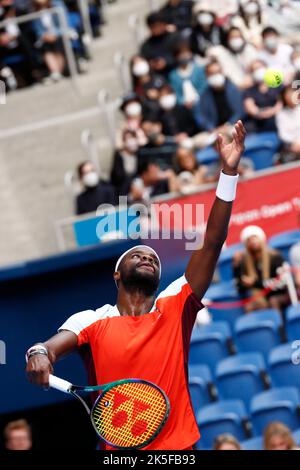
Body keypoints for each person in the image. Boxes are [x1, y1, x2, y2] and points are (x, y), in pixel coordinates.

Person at [25, 121, 246, 450]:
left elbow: (212, 242)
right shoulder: (91, 320)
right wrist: (39, 354)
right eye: (138, 256)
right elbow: (48, 347)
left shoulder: (174, 305)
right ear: (117, 275)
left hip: (178, 452)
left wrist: (228, 175)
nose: (148, 258)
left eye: (154, 259)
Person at [233, 225, 288, 314]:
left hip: (279, 294)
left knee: (273, 300)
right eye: (249, 240)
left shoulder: (275, 257)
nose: (253, 242)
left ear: (261, 239)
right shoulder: (245, 262)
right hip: (261, 297)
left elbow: (282, 283)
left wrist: (254, 283)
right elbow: (239, 288)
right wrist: (236, 267)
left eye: (255, 238)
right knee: (249, 305)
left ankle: (280, 327)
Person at [193, 60, 244, 134]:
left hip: (232, 126)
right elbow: (200, 117)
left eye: (218, 72)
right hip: (213, 131)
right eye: (212, 74)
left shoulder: (233, 89)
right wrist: (211, 128)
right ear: (207, 76)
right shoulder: (204, 95)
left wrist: (227, 125)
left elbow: (240, 112)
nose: (216, 76)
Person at [244, 59, 282, 134]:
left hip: (280, 121)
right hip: (260, 125)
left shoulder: (277, 84)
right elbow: (251, 109)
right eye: (255, 69)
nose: (258, 71)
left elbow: (281, 102)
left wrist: (271, 111)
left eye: (260, 68)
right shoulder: (249, 91)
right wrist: (262, 113)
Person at [33, 0, 67, 82]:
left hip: (59, 34)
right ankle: (55, 72)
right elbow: (37, 29)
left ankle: (58, 72)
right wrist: (44, 35)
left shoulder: (57, 4)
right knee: (46, 49)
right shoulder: (34, 10)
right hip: (45, 38)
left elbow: (64, 23)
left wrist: (55, 34)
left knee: (58, 46)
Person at [169, 40, 207, 107]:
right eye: (181, 53)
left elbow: (204, 86)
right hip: (185, 107)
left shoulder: (199, 68)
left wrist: (196, 99)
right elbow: (176, 93)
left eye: (187, 52)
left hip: (203, 102)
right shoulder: (173, 75)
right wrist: (184, 102)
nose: (185, 56)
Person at [140, 11, 178, 76]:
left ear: (164, 24)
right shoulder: (146, 45)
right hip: (159, 77)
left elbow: (182, 55)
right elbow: (145, 61)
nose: (156, 29)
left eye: (158, 25)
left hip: (177, 72)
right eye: (153, 27)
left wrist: (166, 62)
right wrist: (152, 64)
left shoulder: (175, 38)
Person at [276, 84, 300, 163]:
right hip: (291, 147)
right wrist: (294, 142)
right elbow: (283, 134)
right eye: (288, 94)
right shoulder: (281, 114)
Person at [110, 130, 139, 197]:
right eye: (127, 138)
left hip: (137, 184)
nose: (131, 141)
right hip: (123, 187)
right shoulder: (119, 155)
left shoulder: (138, 153)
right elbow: (118, 176)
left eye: (132, 137)